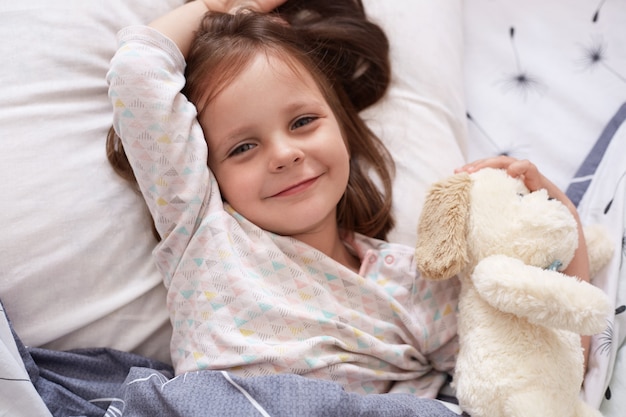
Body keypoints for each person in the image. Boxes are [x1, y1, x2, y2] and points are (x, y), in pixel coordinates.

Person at [106, 0, 591, 398]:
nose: (285, 154)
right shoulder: (202, 231)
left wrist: (561, 219)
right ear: (206, 172)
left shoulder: (415, 279)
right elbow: (136, 70)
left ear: (340, 124)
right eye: (242, 148)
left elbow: (541, 367)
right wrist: (223, 8)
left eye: (302, 122)